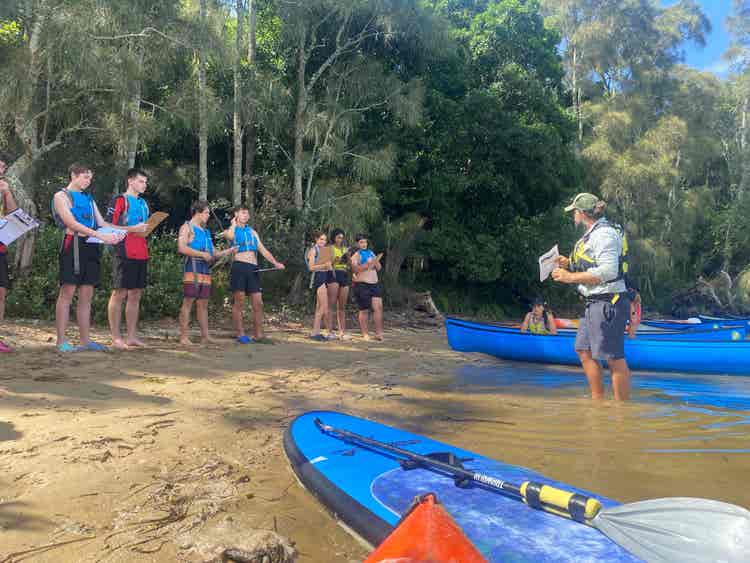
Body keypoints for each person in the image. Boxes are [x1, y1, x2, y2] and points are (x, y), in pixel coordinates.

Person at [552, 192, 631, 401]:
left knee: (614, 358)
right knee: (583, 350)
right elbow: (592, 264)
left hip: (608, 302)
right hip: (594, 302)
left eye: (574, 212)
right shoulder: (594, 232)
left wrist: (569, 277)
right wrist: (568, 264)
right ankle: (598, 403)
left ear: (582, 213)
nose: (573, 216)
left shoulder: (603, 234)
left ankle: (622, 412)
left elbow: (608, 271)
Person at [53, 163, 126, 352]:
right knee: (67, 292)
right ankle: (61, 341)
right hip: (73, 246)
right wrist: (101, 235)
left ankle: (85, 340)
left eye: (90, 178)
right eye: (85, 177)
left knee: (87, 294)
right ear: (74, 176)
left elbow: (101, 222)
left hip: (92, 247)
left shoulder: (88, 197)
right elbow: (71, 223)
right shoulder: (61, 196)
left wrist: (125, 231)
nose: (88, 181)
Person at [223, 204, 285, 343]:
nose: (246, 215)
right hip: (239, 266)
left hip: (253, 268)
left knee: (258, 302)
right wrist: (233, 223)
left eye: (247, 213)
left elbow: (263, 250)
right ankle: (240, 334)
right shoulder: (231, 230)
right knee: (239, 302)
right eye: (243, 213)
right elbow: (230, 236)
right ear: (236, 214)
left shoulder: (252, 232)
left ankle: (258, 334)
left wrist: (275, 263)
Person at [178, 200, 236, 346]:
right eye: (206, 213)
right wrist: (201, 254)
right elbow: (182, 248)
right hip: (192, 267)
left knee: (203, 303)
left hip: (205, 269)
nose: (208, 215)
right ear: (197, 213)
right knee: (188, 301)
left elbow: (213, 253)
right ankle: (184, 337)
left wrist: (228, 251)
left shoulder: (205, 231)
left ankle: (206, 336)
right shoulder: (187, 227)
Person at [107, 168, 151, 349]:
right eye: (141, 181)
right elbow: (108, 225)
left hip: (141, 251)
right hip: (123, 251)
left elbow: (143, 228)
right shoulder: (120, 200)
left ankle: (132, 336)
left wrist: (145, 228)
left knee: (135, 294)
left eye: (146, 182)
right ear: (130, 181)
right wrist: (133, 229)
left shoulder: (143, 203)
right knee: (120, 293)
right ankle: (116, 337)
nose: (144, 185)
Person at [350, 234, 384, 341]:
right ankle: (365, 333)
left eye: (365, 242)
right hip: (362, 284)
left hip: (374, 283)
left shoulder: (371, 253)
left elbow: (379, 267)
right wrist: (367, 265)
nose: (364, 244)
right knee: (364, 309)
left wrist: (375, 261)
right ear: (357, 244)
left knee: (378, 308)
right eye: (361, 242)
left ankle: (378, 333)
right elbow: (354, 270)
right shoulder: (356, 255)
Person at [0, 156, 18, 352]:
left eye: (4, 167)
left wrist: (7, 192)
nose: (2, 170)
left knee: (1, 292)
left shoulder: (4, 187)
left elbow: (14, 214)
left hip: (0, 248)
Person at [307, 231, 334, 341]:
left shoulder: (324, 251)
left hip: (324, 277)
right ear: (316, 239)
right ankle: (315, 332)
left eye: (325, 240)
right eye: (321, 239)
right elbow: (311, 267)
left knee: (320, 307)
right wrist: (324, 265)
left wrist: (329, 266)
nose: (323, 241)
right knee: (324, 306)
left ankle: (316, 332)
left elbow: (328, 267)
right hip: (318, 278)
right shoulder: (313, 250)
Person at [329, 228, 351, 339]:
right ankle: (330, 331)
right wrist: (336, 260)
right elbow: (328, 263)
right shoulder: (330, 248)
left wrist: (347, 255)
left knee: (342, 306)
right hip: (333, 274)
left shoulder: (344, 249)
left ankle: (342, 332)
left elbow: (349, 264)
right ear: (334, 237)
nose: (340, 240)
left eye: (342, 238)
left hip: (344, 275)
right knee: (331, 304)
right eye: (338, 237)